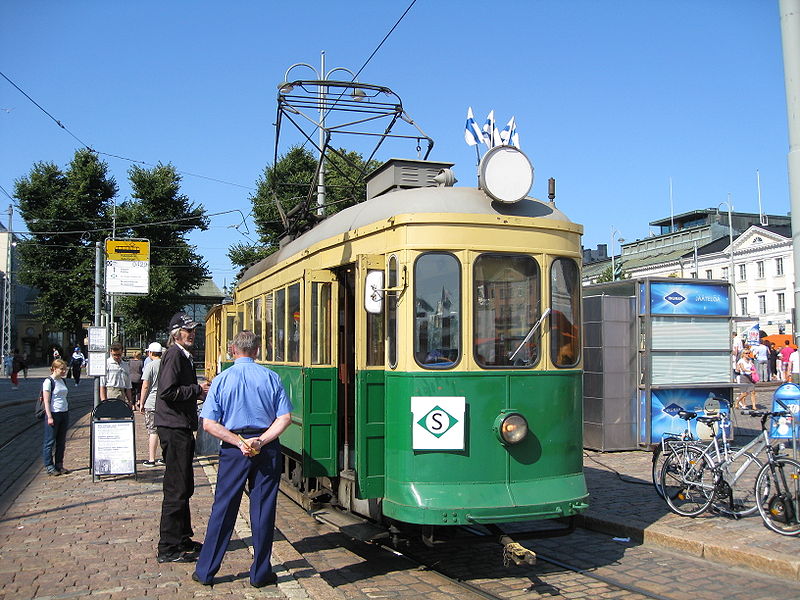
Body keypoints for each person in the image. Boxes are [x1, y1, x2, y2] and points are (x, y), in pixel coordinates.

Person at [192, 330, 292, 587]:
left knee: (224, 509)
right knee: (263, 510)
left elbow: (209, 424)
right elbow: (284, 419)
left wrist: (238, 441)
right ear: (257, 351)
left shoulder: (221, 380)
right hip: (265, 448)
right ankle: (260, 574)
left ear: (233, 350)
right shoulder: (271, 378)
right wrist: (260, 441)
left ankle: (206, 571)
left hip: (234, 449)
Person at [155, 312, 210, 563]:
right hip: (173, 427)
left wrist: (197, 391)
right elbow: (167, 391)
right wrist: (197, 390)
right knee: (177, 488)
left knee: (184, 484)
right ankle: (168, 547)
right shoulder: (175, 355)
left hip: (179, 426)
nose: (193, 334)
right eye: (188, 331)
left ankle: (182, 537)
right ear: (176, 334)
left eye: (194, 330)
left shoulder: (182, 356)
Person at [42, 359, 70, 476]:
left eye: (65, 369)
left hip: (64, 412)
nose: (64, 371)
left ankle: (59, 464)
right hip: (54, 413)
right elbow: (46, 401)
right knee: (49, 441)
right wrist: (49, 416)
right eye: (62, 369)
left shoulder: (62, 381)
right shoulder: (48, 381)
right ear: (54, 369)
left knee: (61, 441)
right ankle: (49, 465)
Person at [139, 342, 164, 467]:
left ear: (150, 353)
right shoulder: (166, 365)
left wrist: (141, 402)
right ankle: (165, 457)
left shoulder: (150, 366)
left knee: (153, 431)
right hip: (165, 402)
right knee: (164, 430)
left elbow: (145, 385)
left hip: (152, 402)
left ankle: (151, 459)